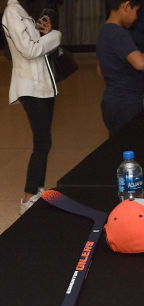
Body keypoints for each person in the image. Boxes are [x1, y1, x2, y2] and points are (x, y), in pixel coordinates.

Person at [2, 0, 61, 214]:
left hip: (44, 86)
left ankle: (37, 190)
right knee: (43, 141)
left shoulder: (23, 12)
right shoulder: (11, 12)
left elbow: (36, 46)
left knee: (44, 141)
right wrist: (55, 36)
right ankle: (28, 197)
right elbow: (30, 50)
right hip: (29, 87)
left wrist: (46, 34)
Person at [96, 0, 144, 137]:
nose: (136, 17)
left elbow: (101, 70)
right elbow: (140, 63)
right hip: (126, 104)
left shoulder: (104, 31)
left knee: (116, 144)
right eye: (136, 11)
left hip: (109, 102)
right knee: (129, 146)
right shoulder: (119, 33)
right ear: (126, 6)